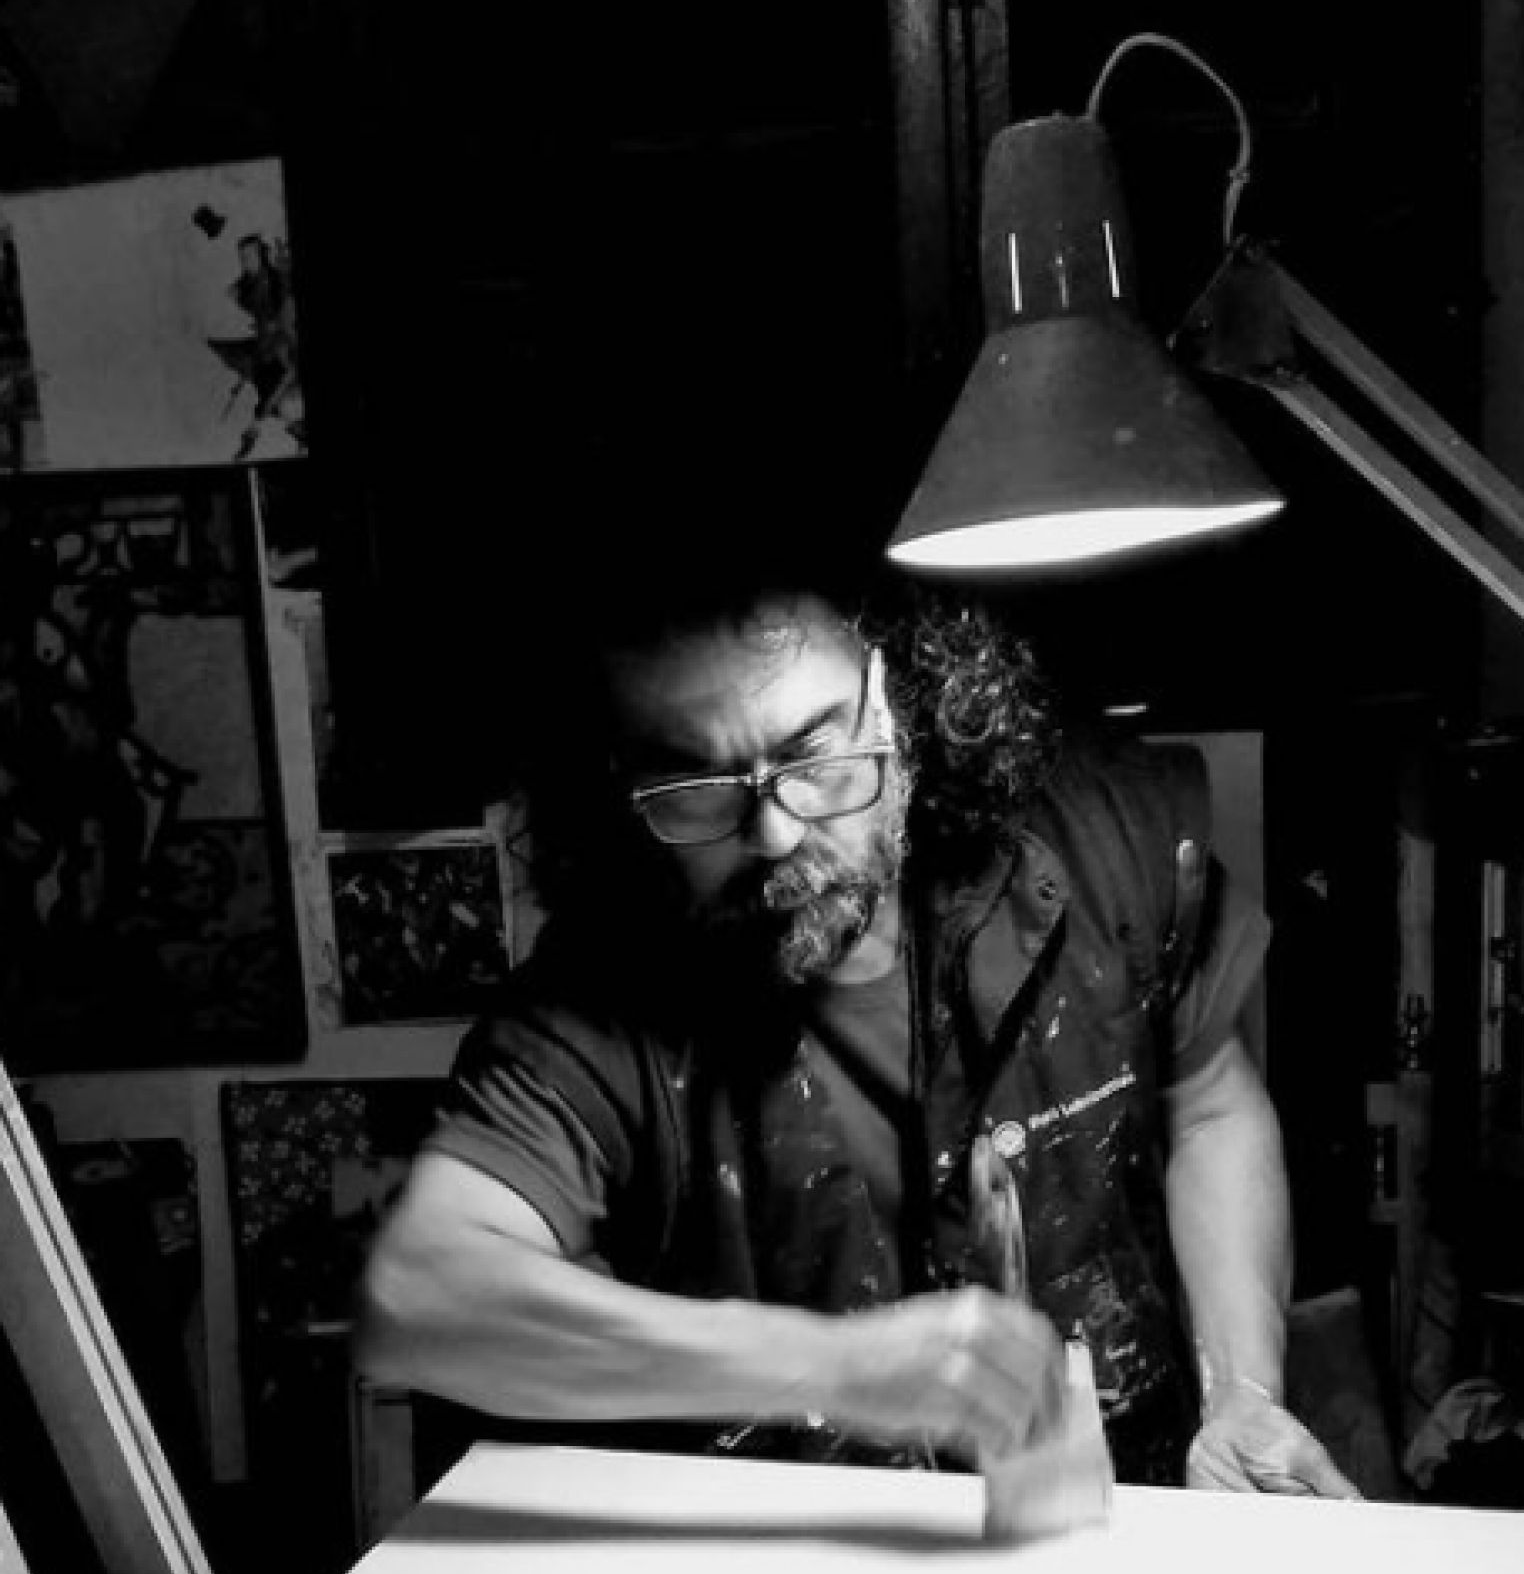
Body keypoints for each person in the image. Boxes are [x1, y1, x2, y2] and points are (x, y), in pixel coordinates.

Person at [353, 545, 1357, 1498]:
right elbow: (421, 1297)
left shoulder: (1103, 841)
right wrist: (828, 1364)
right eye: (698, 784)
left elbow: (1212, 1108)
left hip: (1127, 1514)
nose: (774, 829)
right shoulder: (595, 1000)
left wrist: (1243, 1390)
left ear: (900, 694)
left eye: (813, 752)